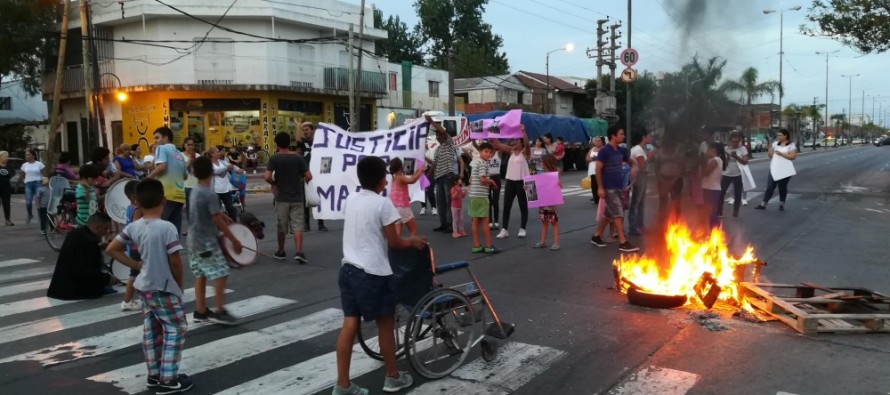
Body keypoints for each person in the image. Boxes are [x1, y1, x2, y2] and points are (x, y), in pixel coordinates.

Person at [332, 156, 427, 395]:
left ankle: (342, 384)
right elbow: (395, 242)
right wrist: (412, 240)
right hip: (373, 272)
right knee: (386, 324)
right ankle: (392, 377)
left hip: (348, 269)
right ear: (382, 180)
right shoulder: (382, 204)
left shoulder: (351, 199)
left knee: (349, 325)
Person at [105, 179, 193, 394]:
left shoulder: (134, 227)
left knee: (152, 332)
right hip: (164, 286)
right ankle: (169, 379)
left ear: (137, 203)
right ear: (163, 201)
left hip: (144, 286)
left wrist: (135, 264)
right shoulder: (167, 228)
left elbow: (112, 248)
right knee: (175, 329)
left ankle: (154, 375)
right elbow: (175, 262)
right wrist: (179, 286)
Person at [189, 156, 242, 325]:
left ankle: (201, 310)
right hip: (206, 241)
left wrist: (222, 215)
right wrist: (234, 240)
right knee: (221, 273)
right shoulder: (210, 193)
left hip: (192, 240)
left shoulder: (196, 190)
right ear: (212, 172)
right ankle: (220, 311)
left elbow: (212, 214)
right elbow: (217, 220)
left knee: (201, 274)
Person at [590, 125, 639, 252]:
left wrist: (634, 167)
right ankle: (623, 241)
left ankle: (596, 236)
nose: (623, 136)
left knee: (608, 213)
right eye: (621, 134)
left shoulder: (621, 151)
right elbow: (598, 170)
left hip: (619, 187)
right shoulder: (605, 151)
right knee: (618, 212)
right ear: (613, 135)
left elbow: (631, 162)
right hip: (608, 187)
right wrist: (600, 187)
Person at [265, 132, 312, 263]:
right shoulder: (298, 158)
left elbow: (267, 177)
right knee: (298, 226)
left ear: (276, 143)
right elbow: (309, 176)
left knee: (281, 226)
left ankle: (281, 251)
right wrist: (299, 180)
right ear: (289, 143)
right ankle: (299, 252)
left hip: (281, 197)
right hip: (297, 197)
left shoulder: (274, 158)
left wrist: (274, 184)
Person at [47, 212, 117, 300]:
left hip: (59, 286)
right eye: (105, 229)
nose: (106, 233)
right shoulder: (89, 242)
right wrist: (110, 279)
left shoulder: (77, 233)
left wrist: (98, 247)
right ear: (97, 228)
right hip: (72, 290)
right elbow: (88, 273)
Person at [491, 127, 530, 239]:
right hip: (510, 181)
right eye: (515, 139)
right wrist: (492, 132)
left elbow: (527, 145)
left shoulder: (525, 153)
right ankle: (504, 229)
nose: (514, 140)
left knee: (523, 205)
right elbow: (498, 144)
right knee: (507, 205)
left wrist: (523, 131)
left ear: (521, 142)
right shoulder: (511, 151)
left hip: (522, 182)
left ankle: (522, 228)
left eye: (517, 139)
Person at [148, 127, 188, 234]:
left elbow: (161, 167)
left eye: (157, 138)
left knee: (160, 231)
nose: (155, 141)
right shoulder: (180, 154)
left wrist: (148, 178)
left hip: (165, 194)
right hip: (179, 196)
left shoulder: (161, 148)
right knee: (174, 232)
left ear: (165, 138)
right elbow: (185, 176)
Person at [430, 114, 463, 233]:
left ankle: (450, 224)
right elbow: (434, 164)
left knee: (449, 202)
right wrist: (427, 178)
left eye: (440, 134)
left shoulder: (450, 143)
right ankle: (443, 223)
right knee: (441, 203)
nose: (438, 136)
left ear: (444, 135)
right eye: (437, 135)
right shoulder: (437, 150)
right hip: (439, 177)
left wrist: (431, 121)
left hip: (448, 176)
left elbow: (442, 131)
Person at [756, 128, 797, 211]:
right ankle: (763, 203)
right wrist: (770, 148)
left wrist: (782, 154)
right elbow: (770, 156)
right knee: (770, 186)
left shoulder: (791, 145)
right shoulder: (775, 144)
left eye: (780, 135)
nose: (778, 137)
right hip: (774, 168)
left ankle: (782, 203)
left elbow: (793, 157)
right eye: (778, 135)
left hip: (785, 170)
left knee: (782, 187)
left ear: (785, 136)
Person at [469, 142, 498, 253]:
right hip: (481, 196)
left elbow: (471, 179)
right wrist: (492, 182)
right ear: (480, 151)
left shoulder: (475, 162)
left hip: (473, 196)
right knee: (485, 221)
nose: (488, 154)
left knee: (475, 221)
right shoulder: (483, 163)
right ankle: (488, 246)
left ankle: (476, 245)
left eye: (490, 152)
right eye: (486, 151)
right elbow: (482, 179)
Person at [298, 122, 327, 231]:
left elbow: (326, 158)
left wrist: (325, 172)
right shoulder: (303, 142)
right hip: (306, 174)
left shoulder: (319, 142)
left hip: (319, 175)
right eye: (303, 130)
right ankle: (306, 224)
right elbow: (297, 140)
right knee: (305, 200)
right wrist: (297, 126)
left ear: (312, 130)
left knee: (319, 199)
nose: (305, 132)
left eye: (307, 129)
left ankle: (321, 223)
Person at [120, 180, 144, 312]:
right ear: (135, 196)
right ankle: (127, 301)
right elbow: (136, 226)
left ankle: (134, 299)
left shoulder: (130, 207)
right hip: (137, 246)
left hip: (132, 246)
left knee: (137, 273)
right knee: (135, 273)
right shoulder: (137, 209)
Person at [388, 157, 423, 237]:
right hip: (403, 207)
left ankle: (395, 248)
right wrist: (421, 171)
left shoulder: (394, 178)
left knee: (398, 231)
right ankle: (412, 248)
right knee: (413, 230)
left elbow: (400, 190)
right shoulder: (400, 177)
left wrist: (418, 171)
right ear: (401, 167)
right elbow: (411, 180)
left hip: (394, 207)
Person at [719, 131, 750, 219]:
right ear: (729, 141)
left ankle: (735, 212)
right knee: (721, 193)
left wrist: (736, 157)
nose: (734, 144)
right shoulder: (726, 149)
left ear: (740, 141)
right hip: (726, 174)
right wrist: (727, 159)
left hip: (738, 174)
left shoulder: (742, 149)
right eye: (733, 142)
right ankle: (719, 211)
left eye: (736, 142)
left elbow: (745, 162)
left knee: (737, 194)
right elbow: (721, 162)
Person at [534, 155, 562, 250]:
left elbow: (559, 186)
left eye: (542, 162)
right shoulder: (542, 174)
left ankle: (556, 242)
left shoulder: (554, 174)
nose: (541, 163)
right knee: (544, 222)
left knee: (553, 222)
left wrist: (559, 184)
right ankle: (543, 241)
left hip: (550, 203)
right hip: (543, 202)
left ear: (547, 163)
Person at [627, 129, 653, 236]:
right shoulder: (638, 150)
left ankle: (640, 226)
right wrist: (649, 157)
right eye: (649, 136)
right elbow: (641, 167)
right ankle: (633, 227)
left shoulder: (640, 149)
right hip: (639, 177)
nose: (651, 138)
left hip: (642, 176)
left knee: (640, 202)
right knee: (636, 202)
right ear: (644, 137)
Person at [206, 146, 239, 220]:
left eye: (219, 151)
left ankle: (234, 224)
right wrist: (226, 168)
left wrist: (238, 170)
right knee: (217, 210)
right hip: (215, 190)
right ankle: (219, 226)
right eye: (217, 152)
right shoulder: (209, 163)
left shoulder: (222, 162)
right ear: (211, 154)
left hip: (225, 189)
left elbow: (232, 166)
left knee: (230, 208)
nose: (219, 153)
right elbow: (214, 171)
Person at [702, 142, 726, 228]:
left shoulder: (716, 159)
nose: (706, 152)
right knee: (708, 212)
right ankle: (711, 231)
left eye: (708, 150)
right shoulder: (712, 160)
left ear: (714, 150)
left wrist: (703, 159)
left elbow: (706, 172)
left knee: (712, 212)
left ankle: (715, 232)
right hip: (707, 188)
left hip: (712, 190)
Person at [21, 149, 45, 224]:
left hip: (38, 183)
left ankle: (40, 217)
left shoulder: (39, 164)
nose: (26, 156)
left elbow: (45, 174)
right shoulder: (24, 165)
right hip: (28, 184)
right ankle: (30, 214)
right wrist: (17, 185)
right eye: (26, 155)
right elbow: (22, 175)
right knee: (28, 202)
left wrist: (47, 182)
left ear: (33, 155)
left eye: (28, 154)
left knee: (38, 201)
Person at [181, 137, 198, 235]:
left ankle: (197, 227)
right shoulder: (180, 156)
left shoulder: (198, 155)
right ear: (184, 145)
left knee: (197, 207)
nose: (191, 147)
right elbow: (182, 169)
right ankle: (190, 227)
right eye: (189, 145)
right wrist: (190, 162)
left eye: (192, 144)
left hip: (196, 184)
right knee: (189, 207)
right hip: (186, 184)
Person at [486, 147, 504, 229]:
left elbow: (504, 146)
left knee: (495, 201)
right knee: (488, 200)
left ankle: (496, 220)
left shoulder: (498, 153)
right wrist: (474, 140)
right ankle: (489, 220)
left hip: (496, 177)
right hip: (488, 177)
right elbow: (477, 148)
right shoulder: (486, 153)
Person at [586, 137, 604, 203]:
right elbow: (587, 158)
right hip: (593, 170)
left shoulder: (603, 149)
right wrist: (592, 159)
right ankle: (596, 199)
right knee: (594, 184)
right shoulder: (592, 149)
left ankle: (601, 198)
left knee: (600, 183)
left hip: (601, 169)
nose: (598, 142)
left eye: (599, 141)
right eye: (596, 141)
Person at [0, 151, 14, 226]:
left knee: (6, 204)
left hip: (6, 187)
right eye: (4, 156)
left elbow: (12, 174)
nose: (6, 158)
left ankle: (7, 220)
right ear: (0, 157)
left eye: (7, 156)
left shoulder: (9, 166)